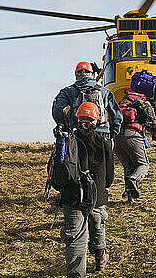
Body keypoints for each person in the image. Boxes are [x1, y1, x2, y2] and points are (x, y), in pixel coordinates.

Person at [60, 102, 114, 277]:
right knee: (97, 226)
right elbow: (110, 178)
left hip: (72, 198)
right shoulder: (104, 143)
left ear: (77, 119)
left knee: (75, 239)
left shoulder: (68, 142)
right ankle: (100, 256)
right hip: (96, 197)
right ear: (97, 120)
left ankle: (76, 274)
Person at [114, 91, 156, 201]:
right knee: (143, 165)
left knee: (128, 167)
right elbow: (155, 125)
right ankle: (133, 179)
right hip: (132, 135)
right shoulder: (144, 105)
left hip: (116, 138)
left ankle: (130, 197)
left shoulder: (120, 105)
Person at [52, 61, 122, 141]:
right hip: (102, 134)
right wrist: (112, 133)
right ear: (92, 74)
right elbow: (117, 116)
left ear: (76, 75)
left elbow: (57, 109)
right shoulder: (105, 91)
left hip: (78, 134)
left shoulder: (68, 91)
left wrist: (64, 126)